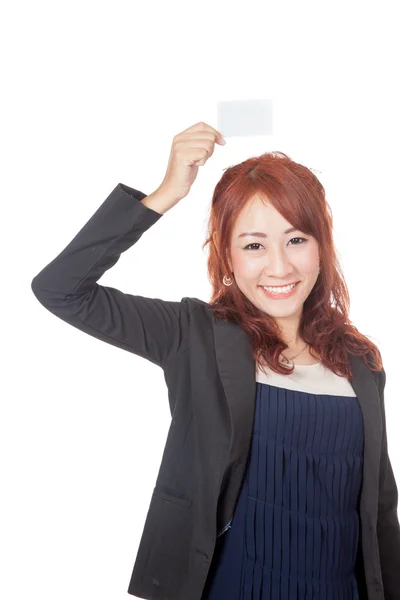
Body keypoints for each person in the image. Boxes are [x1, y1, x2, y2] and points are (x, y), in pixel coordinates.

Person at [31, 122, 400, 600]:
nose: (279, 267)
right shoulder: (193, 337)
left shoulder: (359, 361)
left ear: (322, 247)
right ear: (226, 257)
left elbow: (378, 508)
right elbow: (61, 288)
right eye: (253, 245)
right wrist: (166, 193)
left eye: (296, 240)